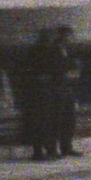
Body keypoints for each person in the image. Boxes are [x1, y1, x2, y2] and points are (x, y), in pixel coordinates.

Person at [17, 29, 57, 161]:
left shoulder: (42, 51)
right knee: (41, 121)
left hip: (43, 92)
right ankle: (41, 150)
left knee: (44, 121)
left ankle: (45, 149)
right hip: (38, 92)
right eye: (47, 38)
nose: (49, 41)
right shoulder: (37, 52)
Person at [52, 26, 83, 158]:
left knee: (70, 119)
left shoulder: (69, 50)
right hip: (58, 89)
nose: (71, 39)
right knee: (58, 119)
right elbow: (55, 69)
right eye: (69, 36)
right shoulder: (54, 50)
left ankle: (67, 146)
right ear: (62, 36)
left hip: (69, 89)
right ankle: (54, 148)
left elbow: (74, 66)